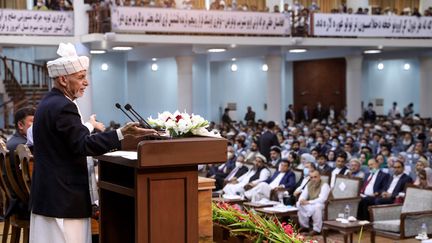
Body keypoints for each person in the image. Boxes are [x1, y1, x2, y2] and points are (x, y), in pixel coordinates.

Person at [29, 43, 158, 243]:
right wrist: (120, 133)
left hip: (51, 196)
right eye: (80, 77)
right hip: (63, 198)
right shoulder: (63, 106)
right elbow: (82, 145)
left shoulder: (49, 101)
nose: (86, 83)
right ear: (63, 79)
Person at [296, 170, 330, 235]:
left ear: (319, 177)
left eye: (315, 177)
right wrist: (302, 200)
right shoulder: (309, 184)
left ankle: (316, 229)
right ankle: (305, 226)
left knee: (317, 206)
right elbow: (303, 195)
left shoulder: (324, 185)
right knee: (299, 203)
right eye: (311, 177)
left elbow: (322, 199)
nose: (313, 179)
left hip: (324, 204)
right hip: (312, 203)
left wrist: (308, 202)